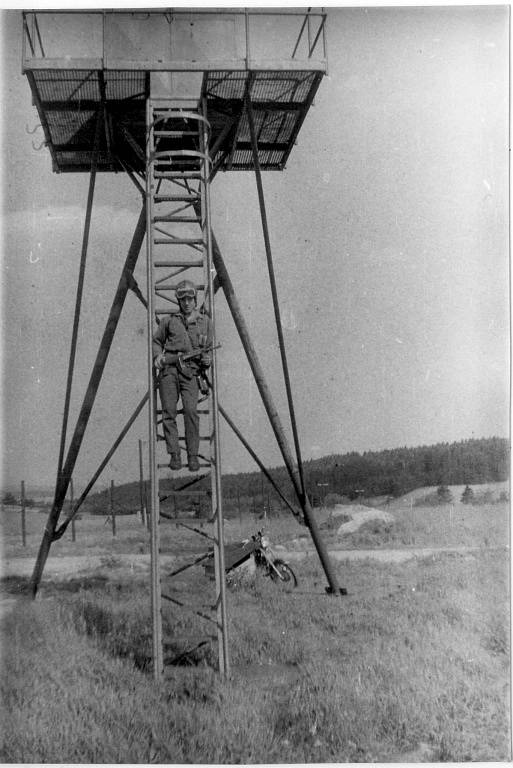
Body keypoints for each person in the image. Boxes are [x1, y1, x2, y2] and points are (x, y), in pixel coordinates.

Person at [152, 280, 213, 472]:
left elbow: (208, 349)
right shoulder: (169, 321)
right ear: (179, 301)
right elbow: (156, 341)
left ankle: (192, 455)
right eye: (183, 299)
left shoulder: (205, 322)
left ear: (195, 299)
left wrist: (207, 359)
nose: (186, 303)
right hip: (169, 372)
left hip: (190, 373)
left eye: (190, 299)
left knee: (190, 412)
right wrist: (158, 356)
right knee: (168, 412)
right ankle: (175, 454)